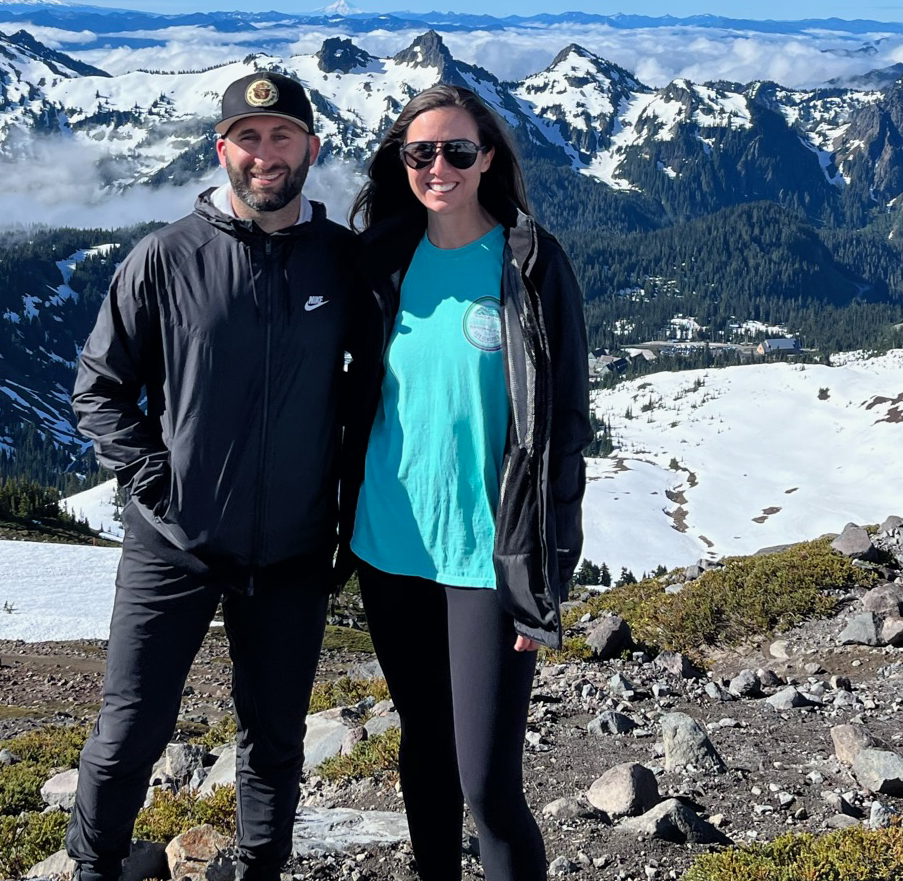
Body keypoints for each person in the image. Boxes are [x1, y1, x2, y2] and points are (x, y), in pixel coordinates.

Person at [67, 70, 358, 881]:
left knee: (274, 735)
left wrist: (349, 510)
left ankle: (258, 867)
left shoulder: (340, 263)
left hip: (295, 548)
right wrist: (156, 482)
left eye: (283, 137)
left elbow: (375, 388)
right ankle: (94, 864)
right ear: (221, 149)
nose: (266, 155)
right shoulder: (166, 257)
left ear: (312, 147)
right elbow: (99, 389)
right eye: (249, 139)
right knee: (130, 727)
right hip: (174, 545)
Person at [341, 84, 590, 881]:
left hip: (491, 555)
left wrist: (549, 569)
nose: (439, 165)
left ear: (489, 158)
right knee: (425, 749)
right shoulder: (381, 258)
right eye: (421, 152)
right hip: (390, 543)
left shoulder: (531, 261)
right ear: (401, 161)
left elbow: (565, 422)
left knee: (487, 783)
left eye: (457, 150)